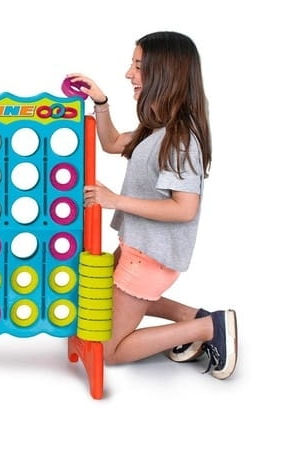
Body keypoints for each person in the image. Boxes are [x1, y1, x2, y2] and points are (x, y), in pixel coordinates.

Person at [68, 31, 237, 379]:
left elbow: (184, 208)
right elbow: (112, 143)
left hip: (150, 256)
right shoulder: (157, 127)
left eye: (138, 67)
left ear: (165, 73)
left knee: (110, 350)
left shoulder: (180, 138)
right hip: (138, 246)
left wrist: (115, 200)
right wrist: (101, 102)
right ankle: (193, 318)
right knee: (100, 295)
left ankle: (208, 328)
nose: (129, 74)